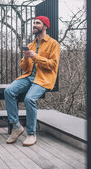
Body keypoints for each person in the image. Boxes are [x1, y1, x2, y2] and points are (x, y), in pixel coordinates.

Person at [4, 16, 61, 146]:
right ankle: (16, 126)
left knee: (29, 99)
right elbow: (24, 68)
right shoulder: (31, 44)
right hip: (29, 77)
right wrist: (25, 58)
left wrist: (35, 57)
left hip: (43, 78)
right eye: (33, 23)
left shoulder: (54, 44)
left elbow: (53, 65)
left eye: (37, 23)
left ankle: (31, 133)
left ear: (45, 26)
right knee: (8, 91)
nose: (34, 25)